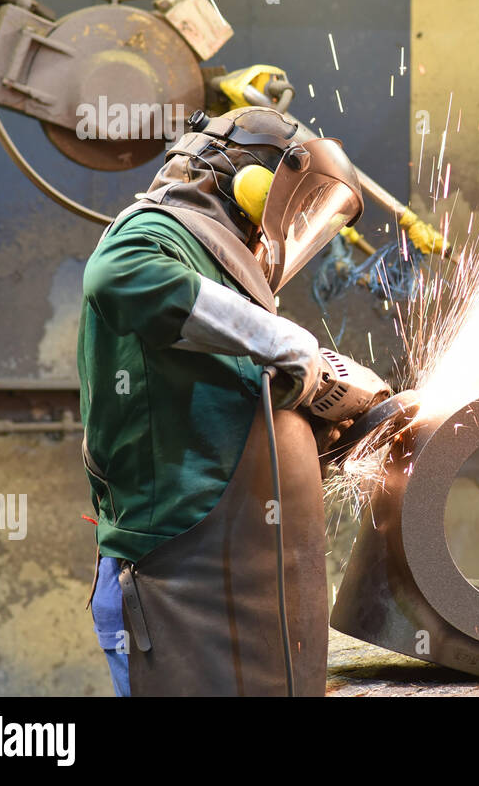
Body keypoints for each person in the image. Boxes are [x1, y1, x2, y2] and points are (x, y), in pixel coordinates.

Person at [78, 106, 382, 696]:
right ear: (253, 182)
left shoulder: (218, 267)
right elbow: (117, 276)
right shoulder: (153, 233)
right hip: (172, 567)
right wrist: (295, 349)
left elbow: (226, 397)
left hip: (227, 566)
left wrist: (315, 424)